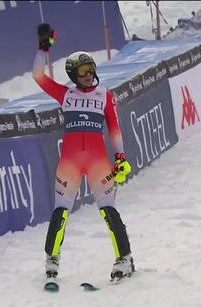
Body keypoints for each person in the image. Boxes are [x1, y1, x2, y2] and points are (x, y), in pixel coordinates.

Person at [33, 23, 135, 281]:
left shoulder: (104, 96)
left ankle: (124, 258)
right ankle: (52, 257)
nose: (89, 74)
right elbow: (38, 76)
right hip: (70, 162)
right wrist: (44, 49)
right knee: (61, 212)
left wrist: (120, 157)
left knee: (108, 210)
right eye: (83, 71)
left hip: (98, 162)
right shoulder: (64, 94)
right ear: (73, 74)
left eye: (91, 69)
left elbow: (114, 128)